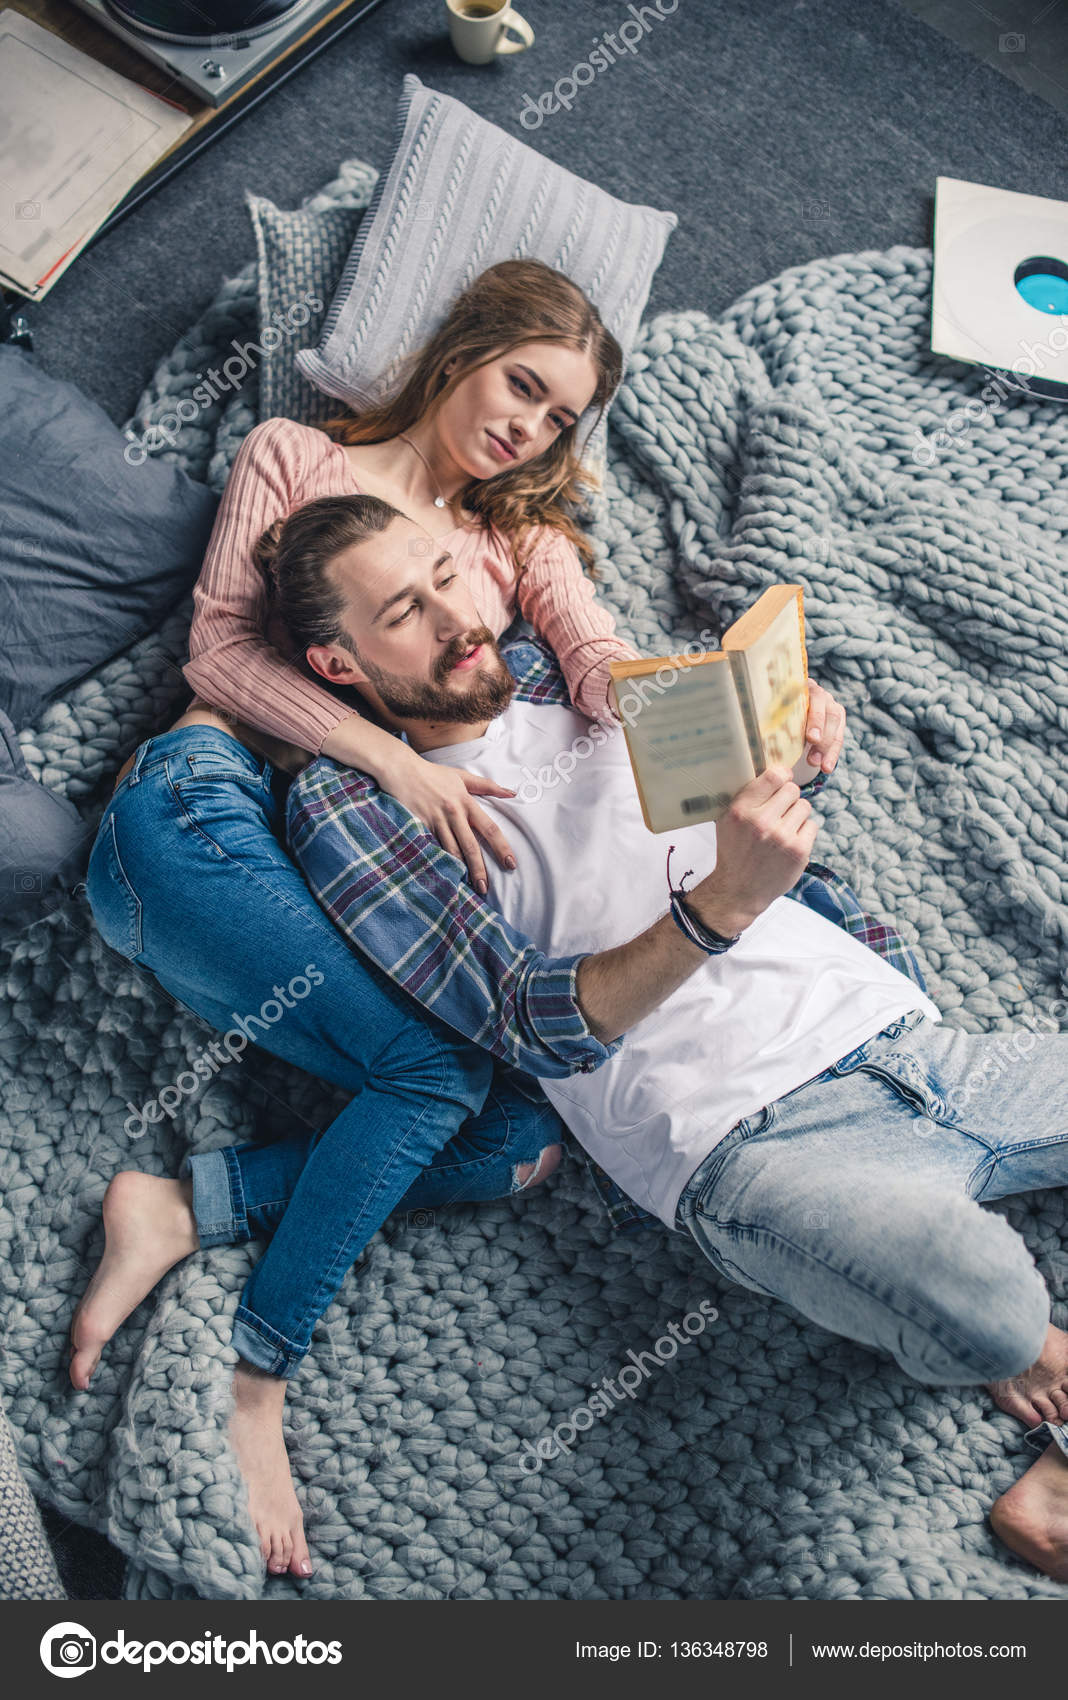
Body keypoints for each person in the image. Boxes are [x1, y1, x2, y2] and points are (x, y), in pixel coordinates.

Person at [235, 493, 1066, 1582]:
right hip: (752, 1138)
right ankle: (1001, 1349)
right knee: (996, 1310)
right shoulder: (359, 805)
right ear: (338, 665)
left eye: (449, 572)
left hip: (913, 1046)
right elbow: (529, 1021)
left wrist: (799, 749)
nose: (456, 616)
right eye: (406, 609)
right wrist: (719, 903)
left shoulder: (564, 670)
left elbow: (730, 788)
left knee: (974, 1289)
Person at [72, 260, 649, 1580]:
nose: (528, 430)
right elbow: (218, 656)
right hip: (206, 810)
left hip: (345, 868)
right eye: (522, 388)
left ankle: (182, 1208)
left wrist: (743, 709)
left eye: (561, 421)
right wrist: (386, 757)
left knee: (516, 1139)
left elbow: (605, 662)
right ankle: (255, 1378)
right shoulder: (294, 457)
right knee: (436, 1070)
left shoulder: (508, 543)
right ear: (463, 352)